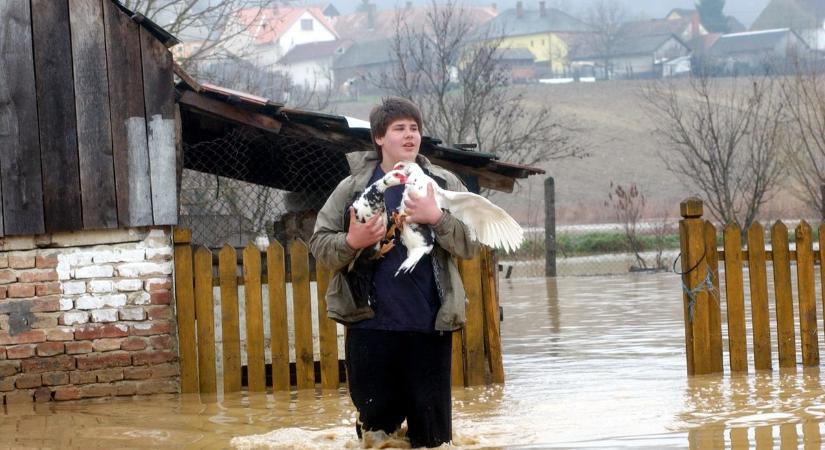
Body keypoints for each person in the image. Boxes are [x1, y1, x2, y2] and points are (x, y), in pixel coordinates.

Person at [309, 97, 478, 448]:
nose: (410, 135)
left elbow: (471, 245)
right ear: (379, 137)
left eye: (415, 128)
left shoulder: (442, 182)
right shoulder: (353, 188)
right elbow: (320, 246)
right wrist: (352, 241)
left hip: (429, 329)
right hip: (370, 330)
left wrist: (437, 218)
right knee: (376, 439)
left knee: (434, 442)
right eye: (399, 128)